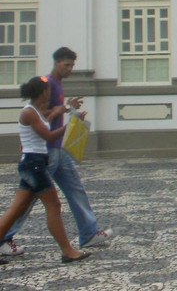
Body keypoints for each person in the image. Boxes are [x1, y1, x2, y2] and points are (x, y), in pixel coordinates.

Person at [0, 47, 112, 257]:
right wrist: (68, 120)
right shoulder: (47, 84)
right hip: (45, 152)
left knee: (74, 189)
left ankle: (88, 233)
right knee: (32, 200)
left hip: (55, 149)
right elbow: (40, 116)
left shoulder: (57, 85)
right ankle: (7, 237)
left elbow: (45, 115)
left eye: (72, 65)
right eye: (66, 65)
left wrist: (68, 108)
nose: (69, 69)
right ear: (56, 62)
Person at [0, 76, 89, 265]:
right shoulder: (30, 112)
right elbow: (48, 136)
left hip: (34, 163)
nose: (50, 92)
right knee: (54, 205)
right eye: (48, 90)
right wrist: (71, 125)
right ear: (42, 92)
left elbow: (49, 117)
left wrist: (68, 108)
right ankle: (67, 251)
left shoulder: (37, 112)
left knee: (17, 209)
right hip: (34, 165)